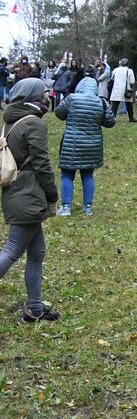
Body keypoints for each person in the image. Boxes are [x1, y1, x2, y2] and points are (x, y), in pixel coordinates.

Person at [0, 77, 60, 321]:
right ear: (35, 95)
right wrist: (52, 195)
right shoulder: (33, 123)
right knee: (13, 250)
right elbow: (42, 164)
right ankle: (34, 308)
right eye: (45, 91)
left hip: (16, 191)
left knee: (37, 253)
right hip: (30, 194)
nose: (49, 95)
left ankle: (34, 309)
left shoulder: (11, 121)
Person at [54, 76, 115, 217]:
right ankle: (87, 208)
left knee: (67, 175)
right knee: (88, 175)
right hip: (93, 146)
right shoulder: (101, 102)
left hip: (72, 144)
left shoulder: (72, 98)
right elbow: (110, 122)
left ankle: (66, 207)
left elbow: (59, 113)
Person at [109, 58, 137, 122]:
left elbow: (112, 78)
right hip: (126, 90)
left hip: (116, 89)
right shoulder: (129, 71)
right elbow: (132, 81)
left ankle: (112, 118)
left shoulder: (115, 70)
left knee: (115, 105)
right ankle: (131, 118)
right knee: (129, 104)